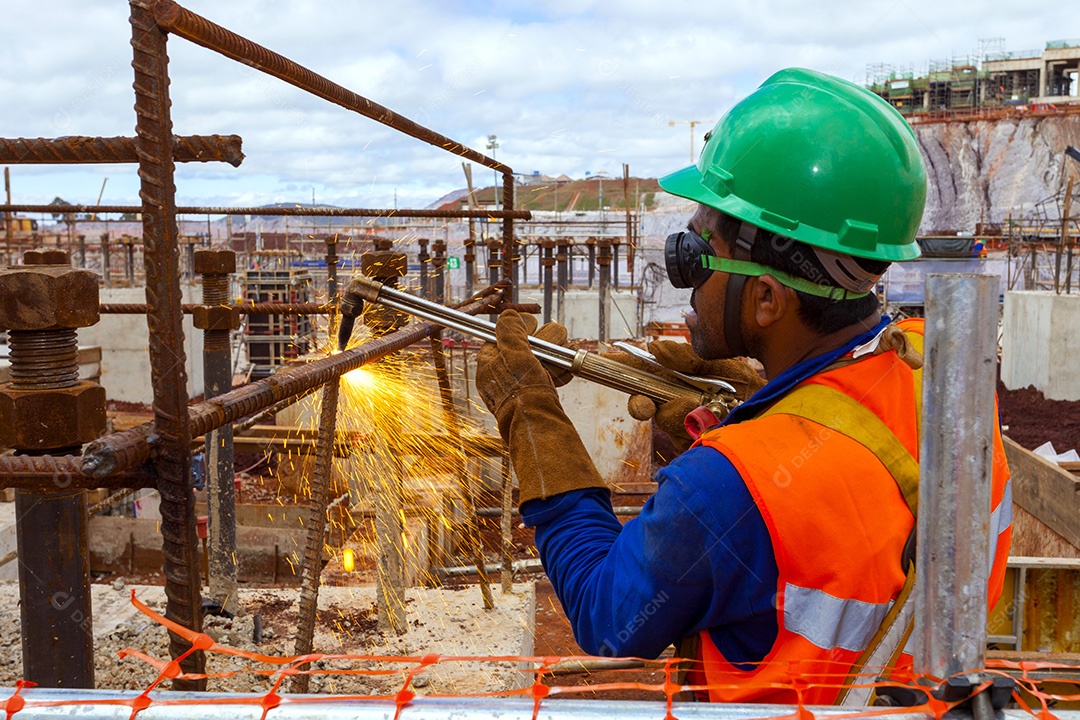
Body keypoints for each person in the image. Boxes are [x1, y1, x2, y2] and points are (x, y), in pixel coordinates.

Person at [475, 68, 1012, 705]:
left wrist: (531, 416)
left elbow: (608, 618)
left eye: (696, 255)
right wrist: (755, 409)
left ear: (765, 299)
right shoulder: (941, 373)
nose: (686, 284)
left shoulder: (728, 488)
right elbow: (840, 481)